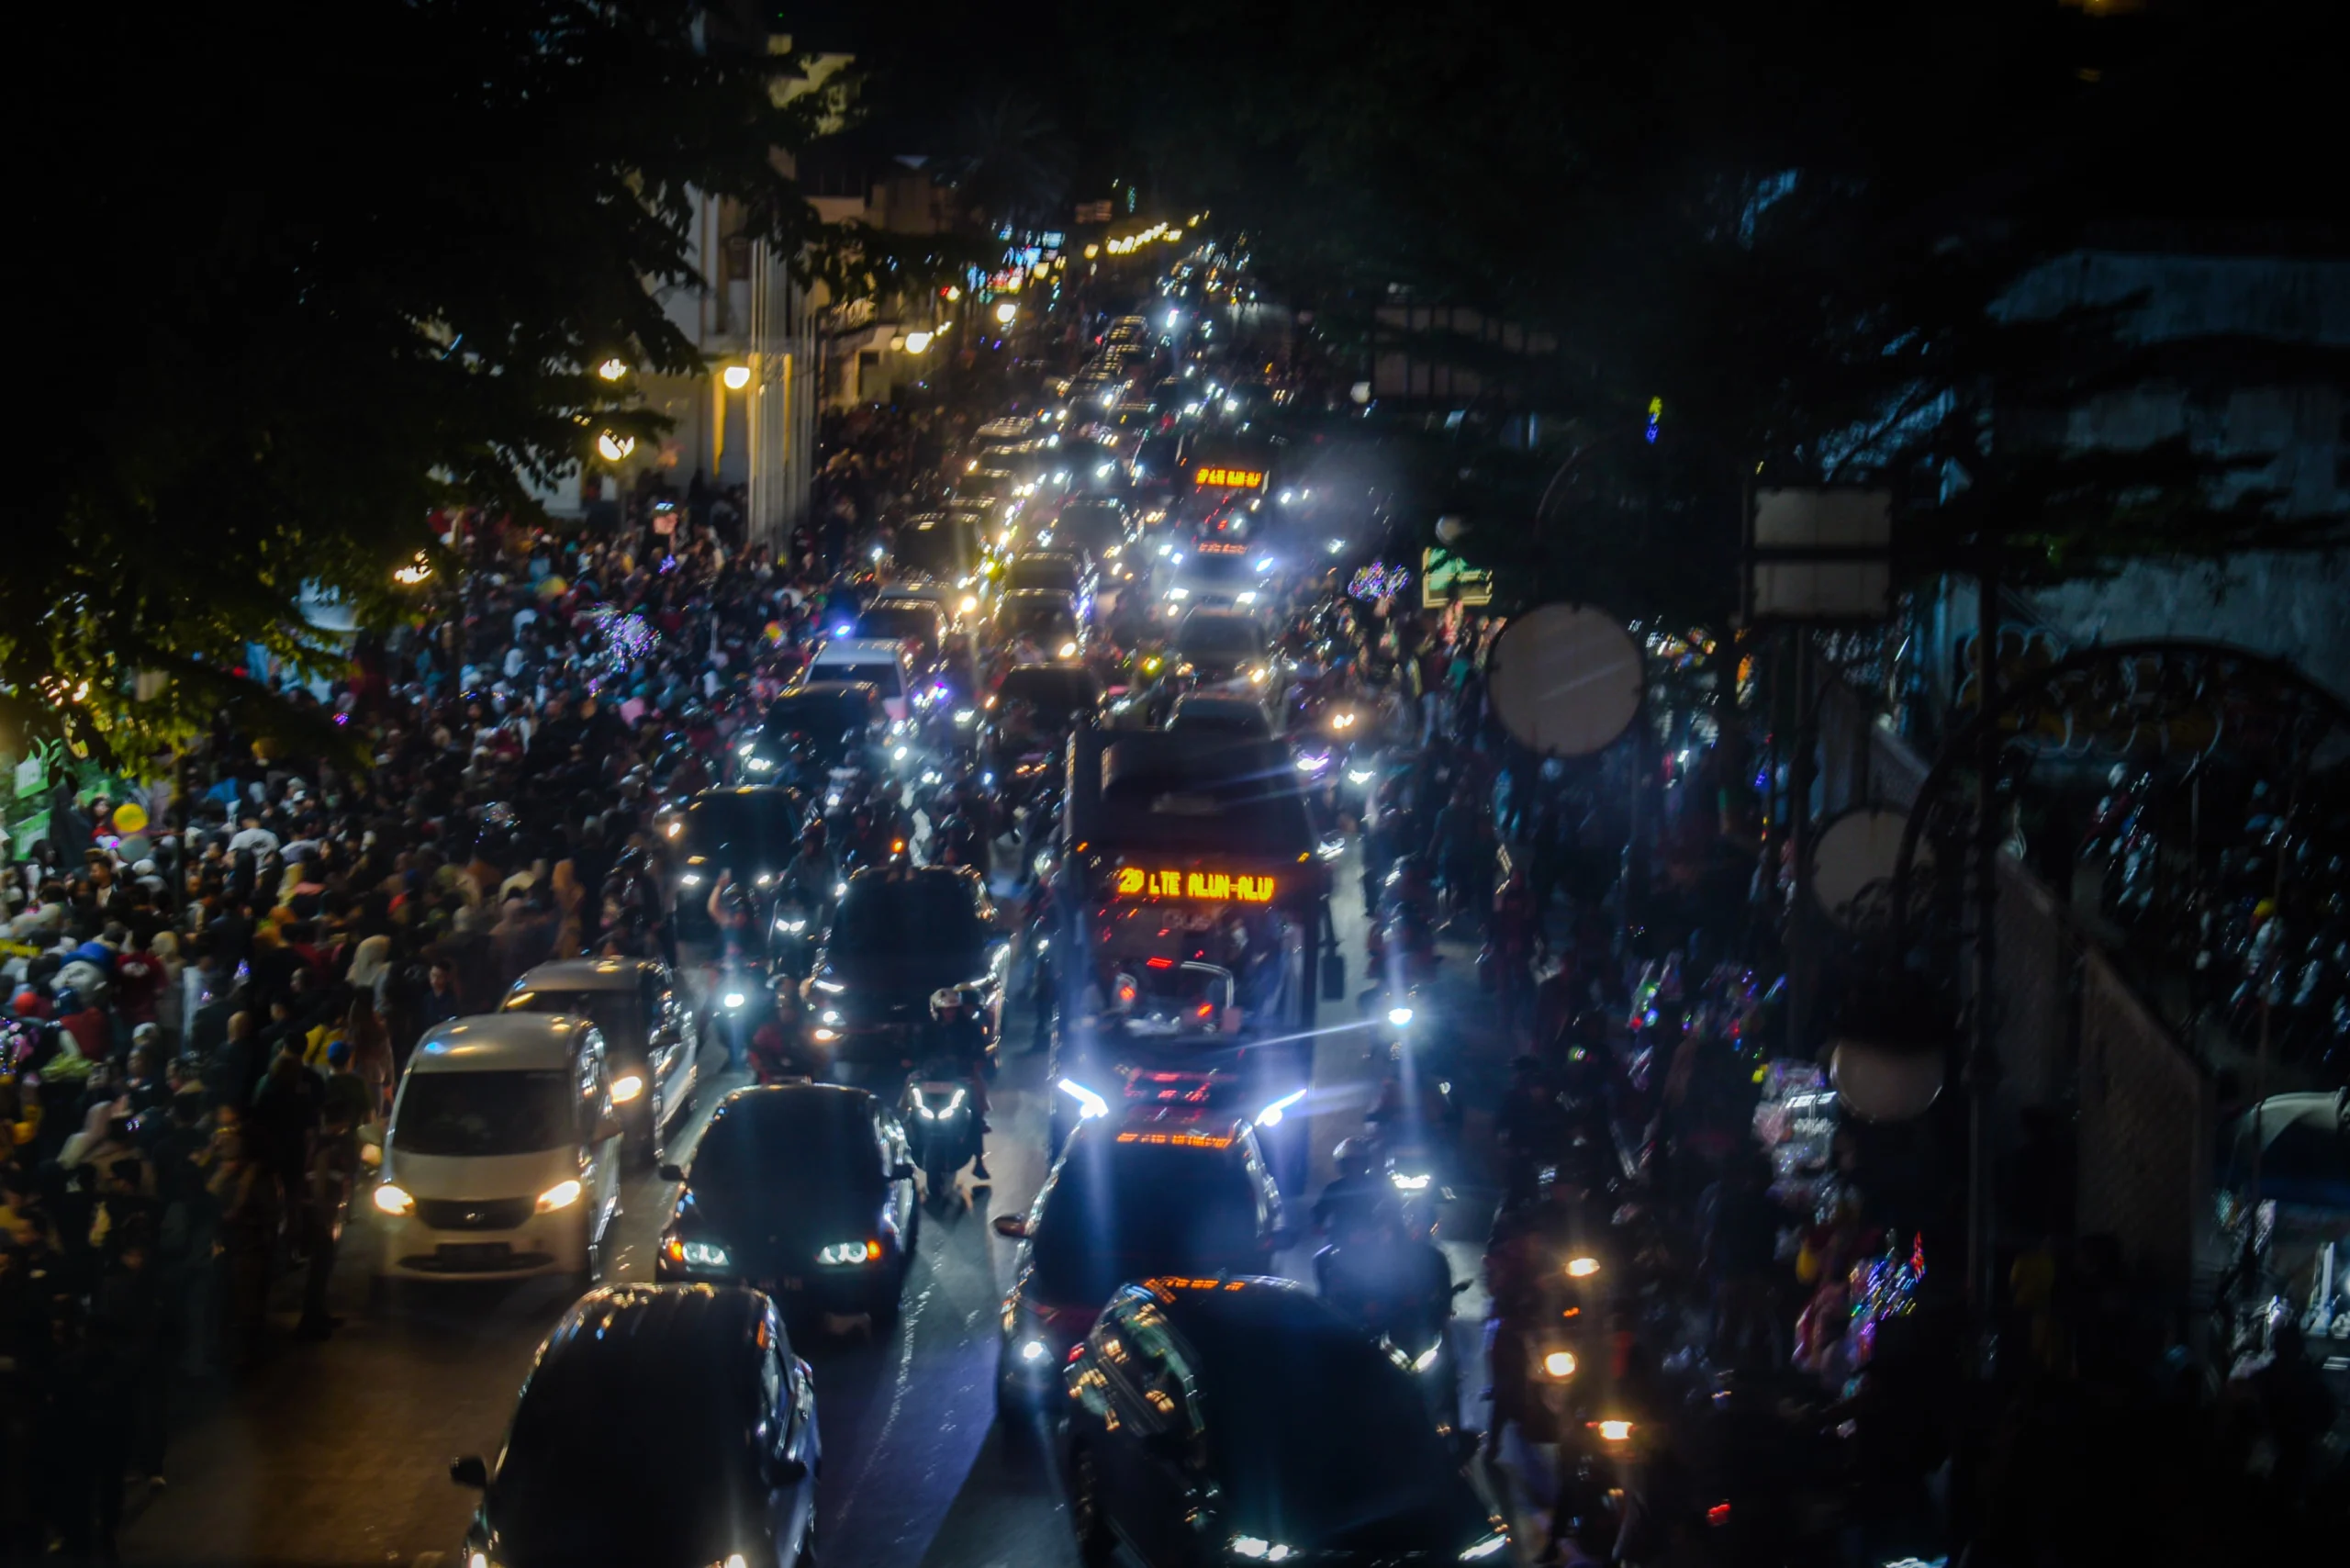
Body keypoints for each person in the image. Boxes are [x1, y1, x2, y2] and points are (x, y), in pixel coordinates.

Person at [925, 986, 990, 1182]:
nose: (950, 1013)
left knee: (975, 1112)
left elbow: (980, 1052)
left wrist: (973, 1063)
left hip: (961, 1078)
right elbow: (918, 1051)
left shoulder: (970, 1028)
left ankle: (979, 1161)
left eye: (953, 1009)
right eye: (946, 1010)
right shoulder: (929, 1029)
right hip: (933, 1079)